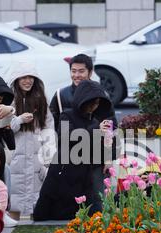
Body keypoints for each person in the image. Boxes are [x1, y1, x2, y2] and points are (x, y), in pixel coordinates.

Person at [34, 80, 114, 221]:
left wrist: (106, 152)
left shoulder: (94, 122)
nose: (93, 107)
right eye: (90, 103)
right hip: (62, 173)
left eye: (96, 104)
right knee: (51, 211)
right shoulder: (67, 115)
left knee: (84, 213)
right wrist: (95, 131)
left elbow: (94, 150)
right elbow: (67, 138)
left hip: (83, 176)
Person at [8, 62, 56, 219]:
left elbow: (48, 130)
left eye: (31, 77)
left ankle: (33, 223)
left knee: (36, 196)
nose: (27, 81)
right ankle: (13, 227)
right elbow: (3, 127)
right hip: (15, 157)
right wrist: (19, 120)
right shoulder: (10, 101)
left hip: (36, 158)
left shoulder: (41, 101)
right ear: (16, 78)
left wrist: (48, 161)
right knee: (13, 197)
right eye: (23, 77)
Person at [49, 54, 95, 132]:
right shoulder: (60, 95)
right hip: (65, 142)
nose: (76, 75)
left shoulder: (100, 95)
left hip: (94, 142)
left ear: (90, 73)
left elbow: (110, 123)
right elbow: (50, 124)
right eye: (73, 71)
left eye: (81, 71)